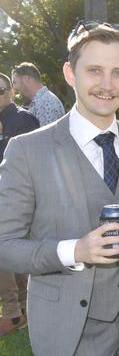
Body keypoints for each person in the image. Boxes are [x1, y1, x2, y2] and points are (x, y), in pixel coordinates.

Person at [0, 21, 119, 355]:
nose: (107, 84)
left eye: (118, 72)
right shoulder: (27, 150)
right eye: (94, 70)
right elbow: (4, 244)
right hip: (65, 328)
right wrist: (74, 251)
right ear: (70, 73)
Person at [0, 71, 39, 338]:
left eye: (1, 90)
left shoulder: (24, 119)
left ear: (11, 91)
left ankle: (12, 313)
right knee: (10, 256)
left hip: (15, 198)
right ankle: (24, 311)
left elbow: (27, 164)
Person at [11, 62, 65, 126]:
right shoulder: (39, 102)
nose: (14, 88)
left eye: (14, 82)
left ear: (26, 79)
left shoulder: (46, 103)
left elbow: (46, 135)